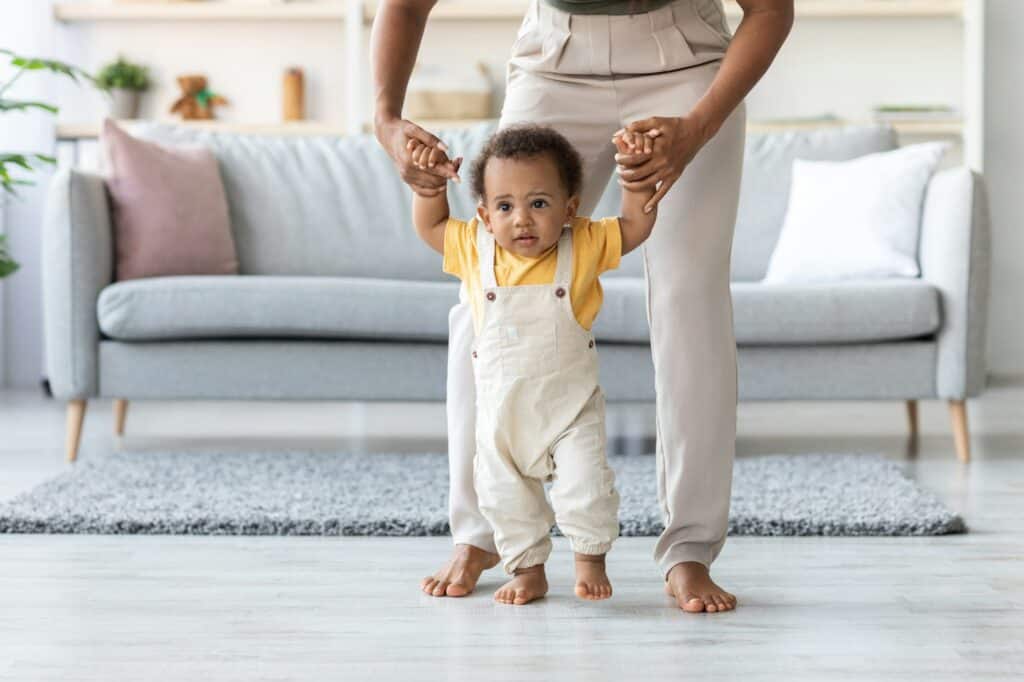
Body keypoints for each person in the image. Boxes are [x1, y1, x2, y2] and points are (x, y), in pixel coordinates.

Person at [372, 0, 793, 613]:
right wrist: (385, 118)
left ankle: (690, 549)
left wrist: (698, 128)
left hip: (687, 68)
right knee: (488, 293)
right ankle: (481, 535)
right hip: (553, 62)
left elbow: (771, 9)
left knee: (690, 299)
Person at [409, 123, 657, 605]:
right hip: (501, 419)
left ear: (569, 208)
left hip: (571, 413)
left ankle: (590, 560)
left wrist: (636, 178)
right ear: (485, 215)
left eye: (539, 204)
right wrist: (429, 187)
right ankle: (527, 571)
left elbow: (634, 226)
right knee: (505, 498)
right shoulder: (475, 248)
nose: (522, 219)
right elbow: (431, 226)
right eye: (505, 207)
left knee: (586, 487)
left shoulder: (582, 244)